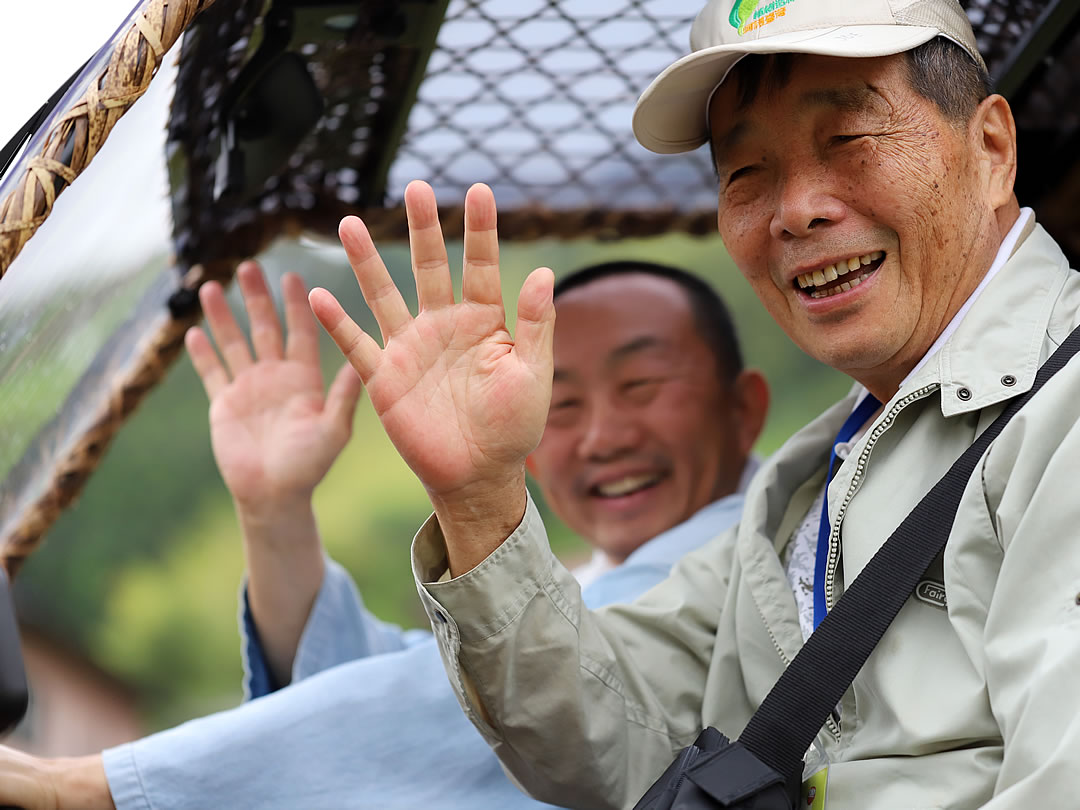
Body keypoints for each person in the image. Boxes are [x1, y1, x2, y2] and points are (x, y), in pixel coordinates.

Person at [291, 1, 1080, 807]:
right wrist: (480, 498)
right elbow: (603, 735)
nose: (796, 208)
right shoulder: (807, 481)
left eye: (848, 140)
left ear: (990, 149)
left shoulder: (1065, 413)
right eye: (746, 174)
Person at [0, 259, 768, 809]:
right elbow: (388, 695)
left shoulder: (768, 546)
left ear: (745, 410)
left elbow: (469, 714)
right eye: (559, 406)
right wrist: (275, 511)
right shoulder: (595, 577)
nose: (601, 436)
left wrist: (96, 787)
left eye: (642, 388)